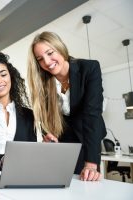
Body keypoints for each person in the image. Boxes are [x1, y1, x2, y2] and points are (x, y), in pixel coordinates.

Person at [27, 31, 106, 181]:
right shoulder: (43, 83)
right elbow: (45, 115)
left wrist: (91, 163)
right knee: (62, 183)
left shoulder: (89, 68)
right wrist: (47, 135)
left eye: (50, 53)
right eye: (40, 59)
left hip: (88, 137)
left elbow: (92, 114)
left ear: (60, 47)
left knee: (87, 181)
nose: (47, 62)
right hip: (63, 141)